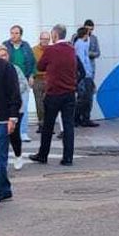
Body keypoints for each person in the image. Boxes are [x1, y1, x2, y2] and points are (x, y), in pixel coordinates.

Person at [33, 24, 79, 164]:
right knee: (68, 126)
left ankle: (43, 155)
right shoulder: (72, 50)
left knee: (48, 126)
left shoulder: (51, 50)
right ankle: (68, 158)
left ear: (55, 35)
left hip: (54, 93)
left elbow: (40, 66)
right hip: (69, 93)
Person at [0, 44, 22, 206]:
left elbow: (15, 93)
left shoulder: (6, 68)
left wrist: (13, 118)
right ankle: (5, 189)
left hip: (2, 119)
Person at [73, 24, 100, 127]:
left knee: (87, 97)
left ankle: (83, 118)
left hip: (87, 73)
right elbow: (82, 61)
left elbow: (96, 53)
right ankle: (77, 118)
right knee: (84, 98)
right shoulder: (79, 44)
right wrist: (86, 73)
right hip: (84, 75)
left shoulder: (83, 42)